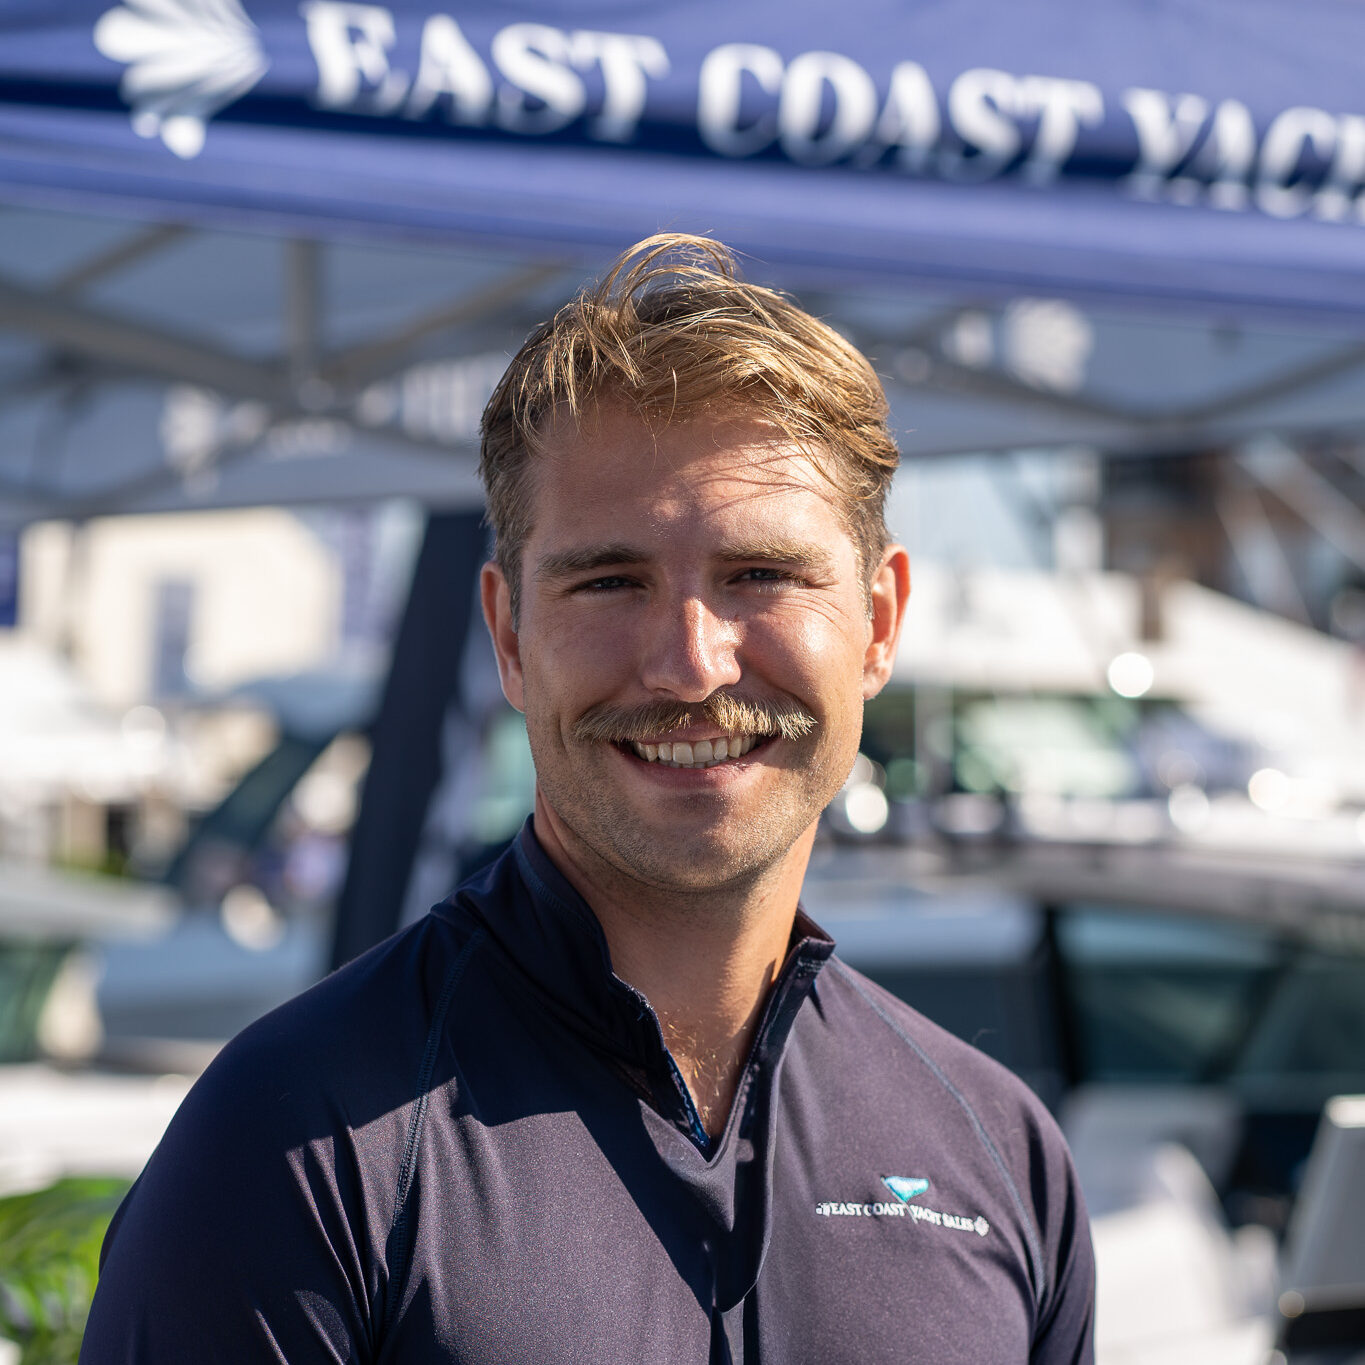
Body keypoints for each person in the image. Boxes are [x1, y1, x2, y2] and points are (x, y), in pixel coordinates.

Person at [82, 235, 1094, 1363]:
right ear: (510, 635)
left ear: (881, 621)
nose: (690, 663)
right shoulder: (297, 1145)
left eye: (760, 574)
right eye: (611, 581)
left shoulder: (1001, 1157)